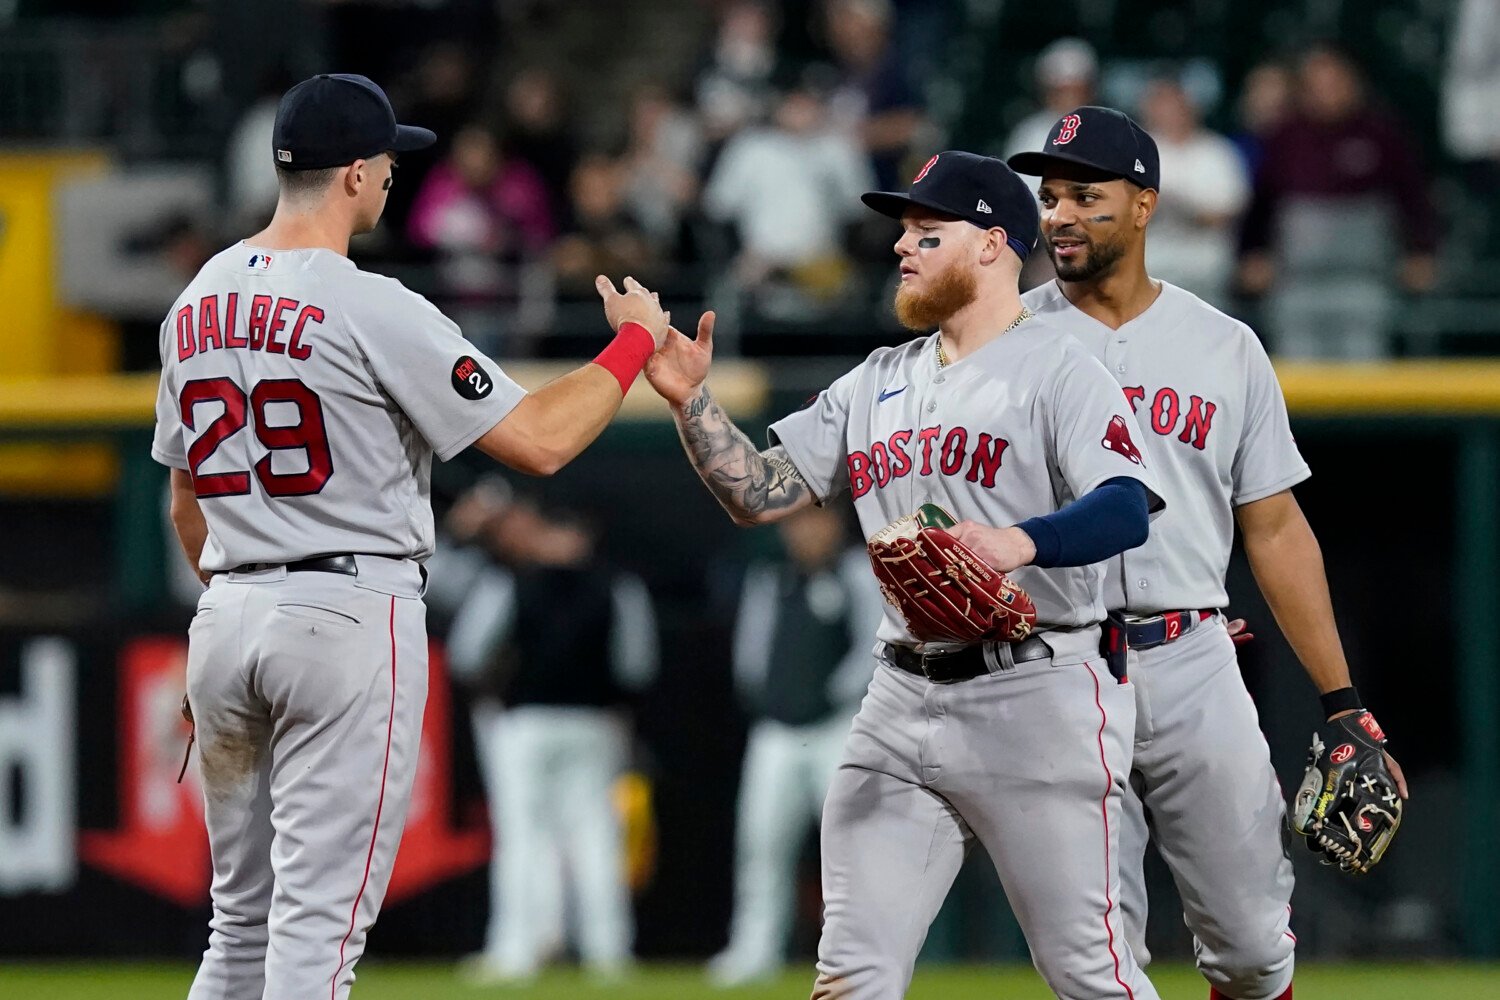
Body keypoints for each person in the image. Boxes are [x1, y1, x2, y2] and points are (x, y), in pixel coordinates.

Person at [151, 72, 670, 1000]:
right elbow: (542, 443)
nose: (395, 176)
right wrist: (632, 344)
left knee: (237, 935)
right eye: (388, 160)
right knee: (317, 944)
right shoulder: (368, 302)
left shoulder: (197, 300)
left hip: (225, 615)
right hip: (346, 610)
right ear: (353, 174)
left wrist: (238, 606)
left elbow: (186, 499)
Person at [642, 150, 1165, 999]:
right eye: (903, 234)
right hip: (898, 697)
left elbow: (1126, 505)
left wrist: (1016, 543)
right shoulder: (876, 380)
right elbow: (760, 492)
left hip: (1035, 692)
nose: (902, 249)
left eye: (929, 233)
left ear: (994, 244)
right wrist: (688, 401)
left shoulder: (1061, 368)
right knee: (851, 974)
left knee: (1090, 975)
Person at [1008, 105, 1410, 1000]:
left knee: (1254, 949)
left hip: (1192, 653)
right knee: (1093, 959)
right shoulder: (1003, 339)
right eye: (1049, 197)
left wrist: (1342, 702)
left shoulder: (1224, 346)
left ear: (1146, 204)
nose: (1060, 214)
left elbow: (1274, 529)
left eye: (1085, 194)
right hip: (1053, 667)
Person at [446, 499, 658, 984]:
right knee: (594, 837)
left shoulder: (511, 582)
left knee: (525, 837)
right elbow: (637, 665)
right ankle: (609, 953)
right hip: (593, 723)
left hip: (527, 724)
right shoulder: (617, 586)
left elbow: (467, 653)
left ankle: (515, 951)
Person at [708, 504, 885, 987]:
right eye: (796, 524)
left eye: (814, 521)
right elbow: (752, 649)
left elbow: (875, 644)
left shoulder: (857, 572)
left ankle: (859, 956)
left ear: (834, 525)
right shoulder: (771, 578)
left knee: (847, 849)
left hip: (838, 729)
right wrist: (769, 697)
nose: (805, 533)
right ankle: (755, 948)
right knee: (761, 844)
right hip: (776, 731)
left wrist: (832, 695)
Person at [1237, 44, 1437, 359]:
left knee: (1365, 371)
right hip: (1297, 282)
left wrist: (1421, 251)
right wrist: (1252, 253)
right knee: (1296, 373)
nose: (1326, 91)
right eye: (1316, 83)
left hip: (1365, 280)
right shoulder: (1285, 138)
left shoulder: (1381, 135)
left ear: (1353, 82)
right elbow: (1260, 204)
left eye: (1334, 81)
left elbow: (1413, 197)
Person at [1137, 75, 1249, 306]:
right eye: (1161, 105)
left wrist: (1187, 210)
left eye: (1176, 105)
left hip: (1205, 268)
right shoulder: (1139, 151)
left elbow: (1229, 212)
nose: (1170, 112)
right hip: (1152, 266)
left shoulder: (1217, 151)